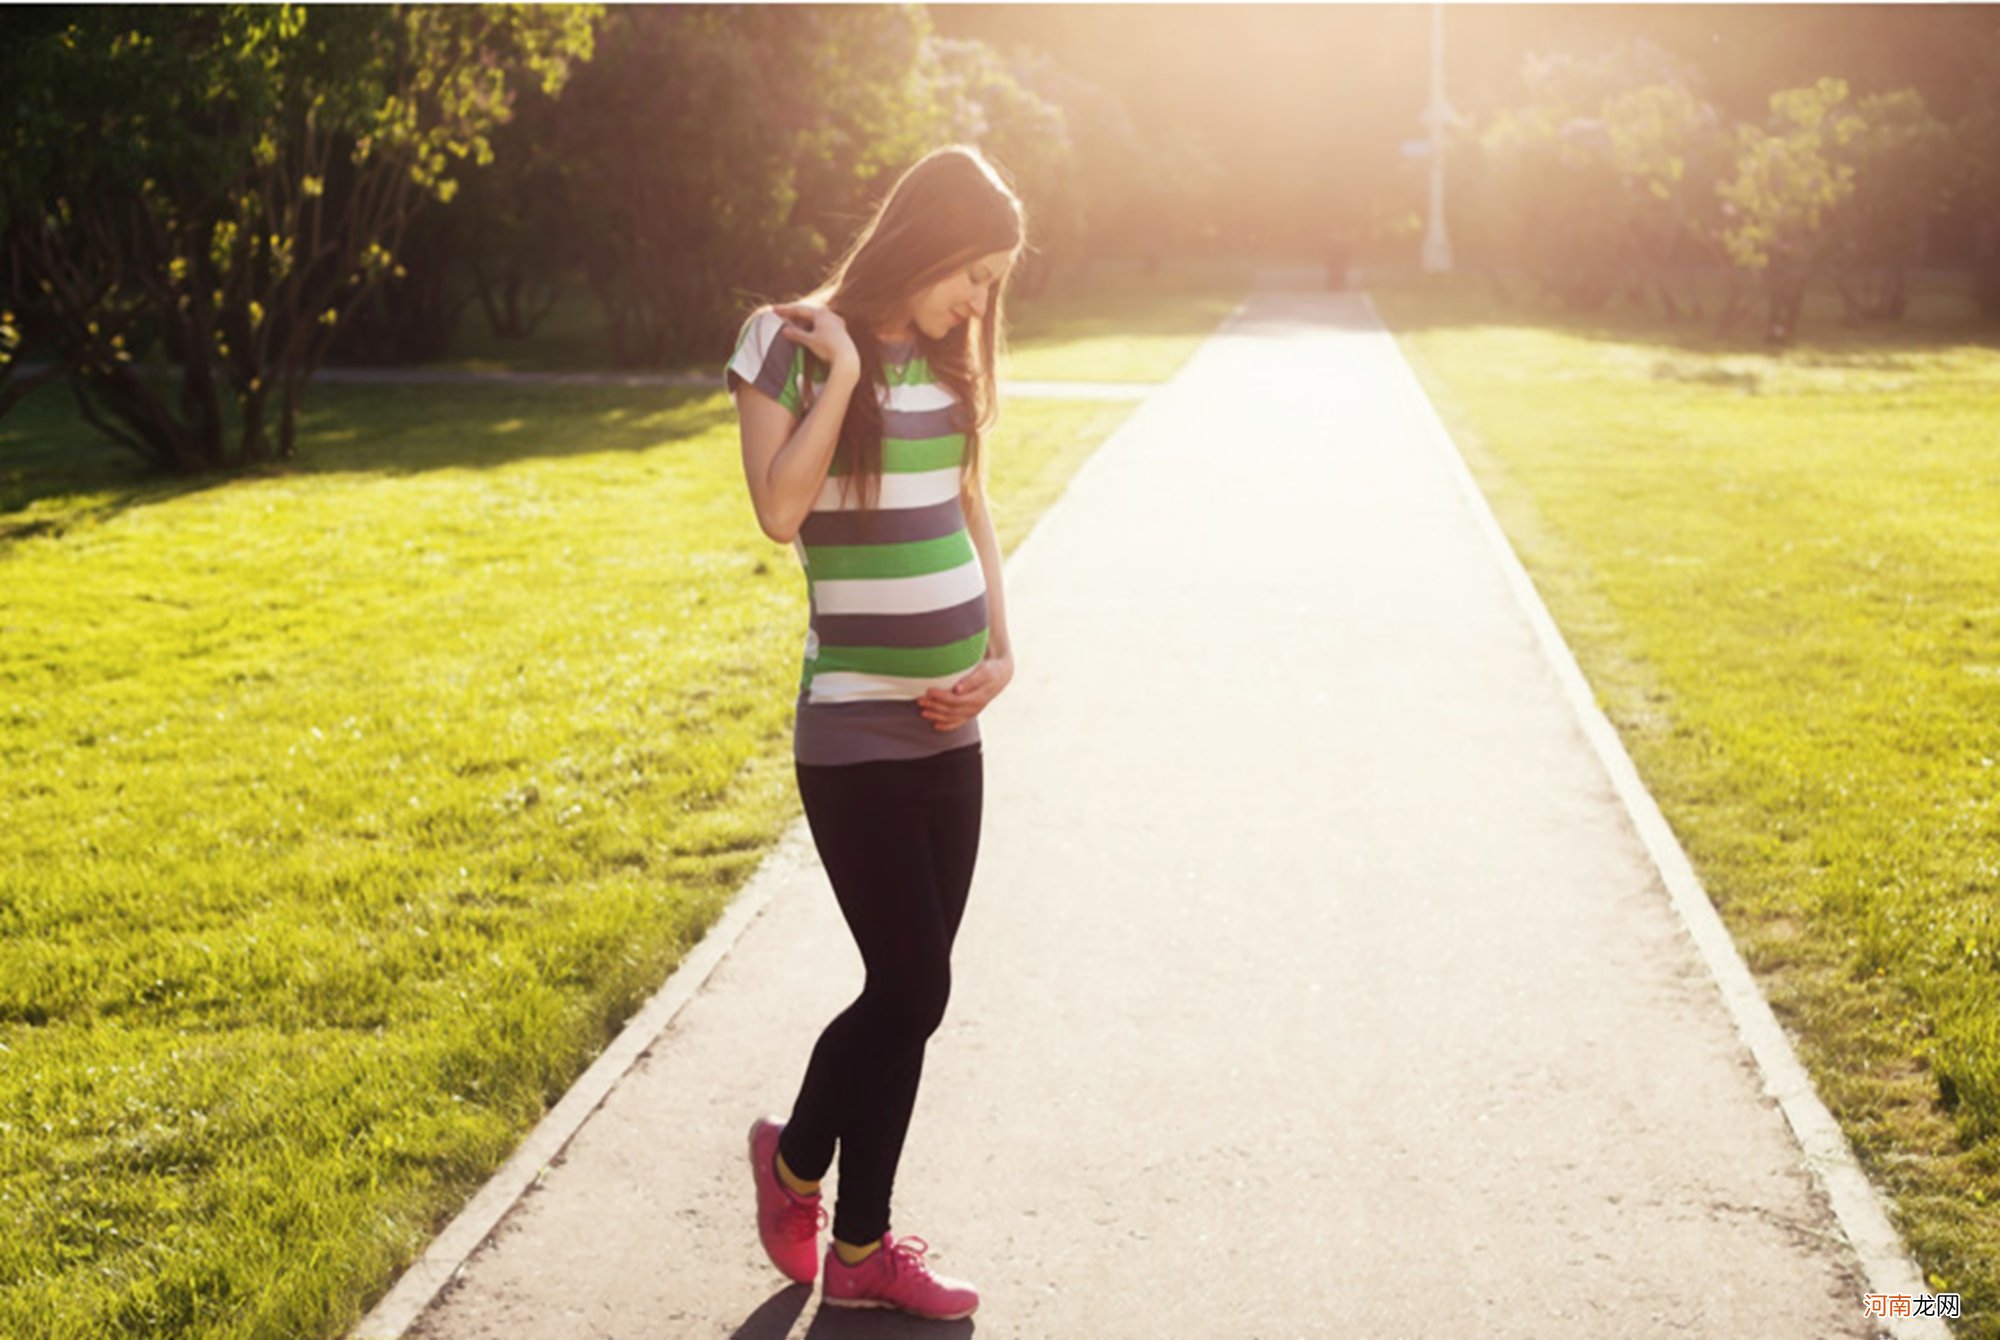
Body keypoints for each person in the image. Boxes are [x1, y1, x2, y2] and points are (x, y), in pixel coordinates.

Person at [722, 144, 1025, 1321]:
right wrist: (845, 375)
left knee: (916, 990)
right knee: (908, 977)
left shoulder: (955, 362)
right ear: (928, 236)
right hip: (852, 728)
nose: (979, 301)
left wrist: (1002, 651)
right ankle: (829, 1204)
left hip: (953, 727)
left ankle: (834, 1216)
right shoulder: (784, 342)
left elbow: (970, 501)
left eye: (994, 282)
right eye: (974, 272)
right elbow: (777, 509)